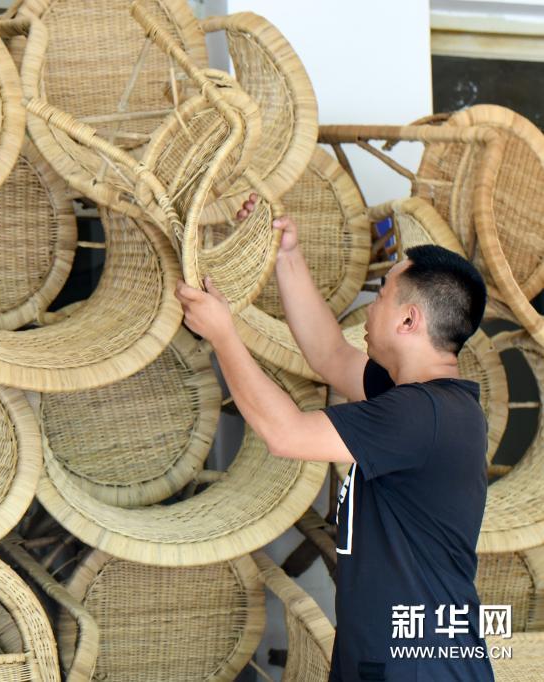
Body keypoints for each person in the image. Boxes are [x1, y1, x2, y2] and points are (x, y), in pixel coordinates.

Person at [175, 194, 494, 681]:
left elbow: (285, 433)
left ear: (409, 320)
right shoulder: (426, 403)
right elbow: (329, 354)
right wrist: (286, 255)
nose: (371, 308)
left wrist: (223, 336)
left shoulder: (420, 416)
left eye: (382, 295)